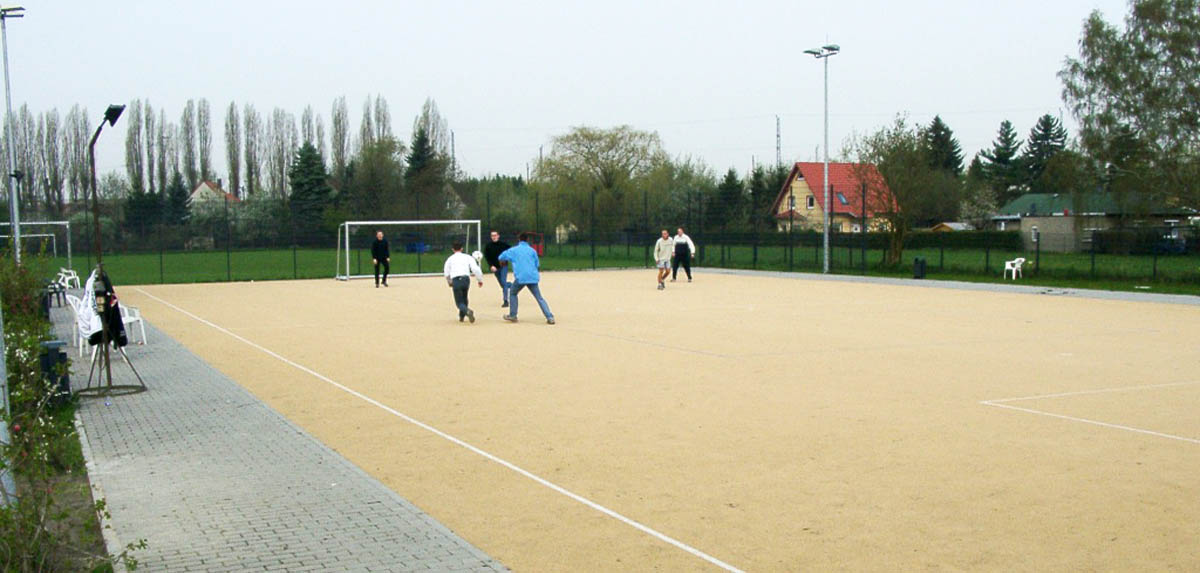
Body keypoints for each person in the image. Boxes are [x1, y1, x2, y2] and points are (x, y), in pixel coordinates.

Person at [498, 232, 555, 325]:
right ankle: (550, 316)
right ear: (527, 240)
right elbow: (537, 264)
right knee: (539, 297)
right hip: (532, 276)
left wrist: (503, 261)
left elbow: (501, 256)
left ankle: (513, 315)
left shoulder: (513, 250)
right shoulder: (532, 250)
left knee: (512, 293)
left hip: (521, 277)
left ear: (519, 239)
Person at [443, 241, 484, 323]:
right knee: (465, 298)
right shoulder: (468, 257)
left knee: (459, 302)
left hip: (456, 279)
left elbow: (446, 272)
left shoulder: (450, 259)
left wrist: (449, 281)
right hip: (466, 279)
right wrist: (479, 280)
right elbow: (475, 269)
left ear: (452, 249)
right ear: (462, 248)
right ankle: (462, 316)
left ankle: (467, 311)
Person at [482, 230, 512, 307]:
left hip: (503, 266)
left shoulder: (503, 245)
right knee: (502, 284)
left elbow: (511, 251)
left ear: (498, 236)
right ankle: (512, 285)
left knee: (503, 281)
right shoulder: (488, 246)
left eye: (495, 235)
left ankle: (506, 300)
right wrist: (491, 266)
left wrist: (507, 259)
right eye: (492, 236)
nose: (494, 237)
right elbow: (487, 257)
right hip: (495, 267)